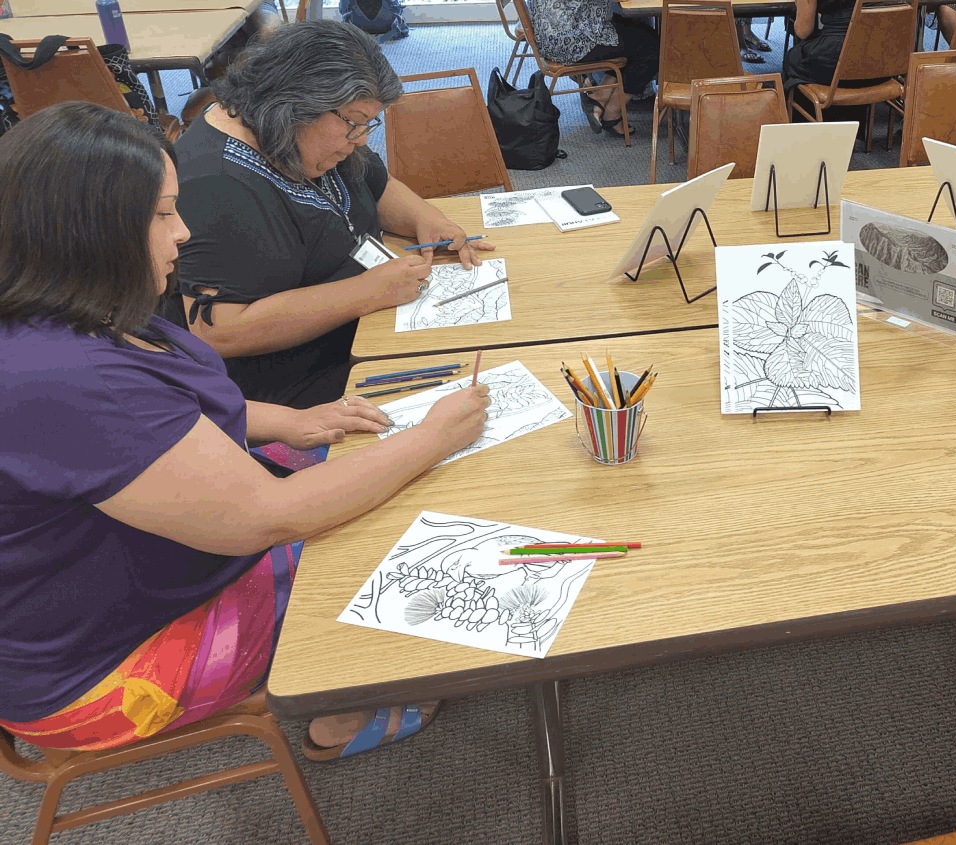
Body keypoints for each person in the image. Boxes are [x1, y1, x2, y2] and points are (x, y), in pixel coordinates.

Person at [0, 103, 492, 755]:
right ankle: (342, 710)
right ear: (92, 230)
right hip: (105, 673)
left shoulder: (67, 309)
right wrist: (431, 438)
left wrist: (290, 418)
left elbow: (173, 413)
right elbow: (270, 515)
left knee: (356, 459)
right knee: (389, 531)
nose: (182, 234)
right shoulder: (69, 378)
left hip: (103, 590)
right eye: (161, 214)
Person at [169, 21, 493, 409]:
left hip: (367, 328)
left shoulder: (305, 132)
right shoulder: (214, 184)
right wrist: (366, 292)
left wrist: (425, 218)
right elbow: (219, 332)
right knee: (476, 389)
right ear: (295, 103)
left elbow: (377, 185)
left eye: (367, 124)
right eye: (354, 124)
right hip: (293, 385)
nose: (361, 140)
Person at [526, 0, 659, 135]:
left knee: (639, 33)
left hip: (550, 32)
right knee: (653, 48)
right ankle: (613, 113)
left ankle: (599, 98)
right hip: (571, 39)